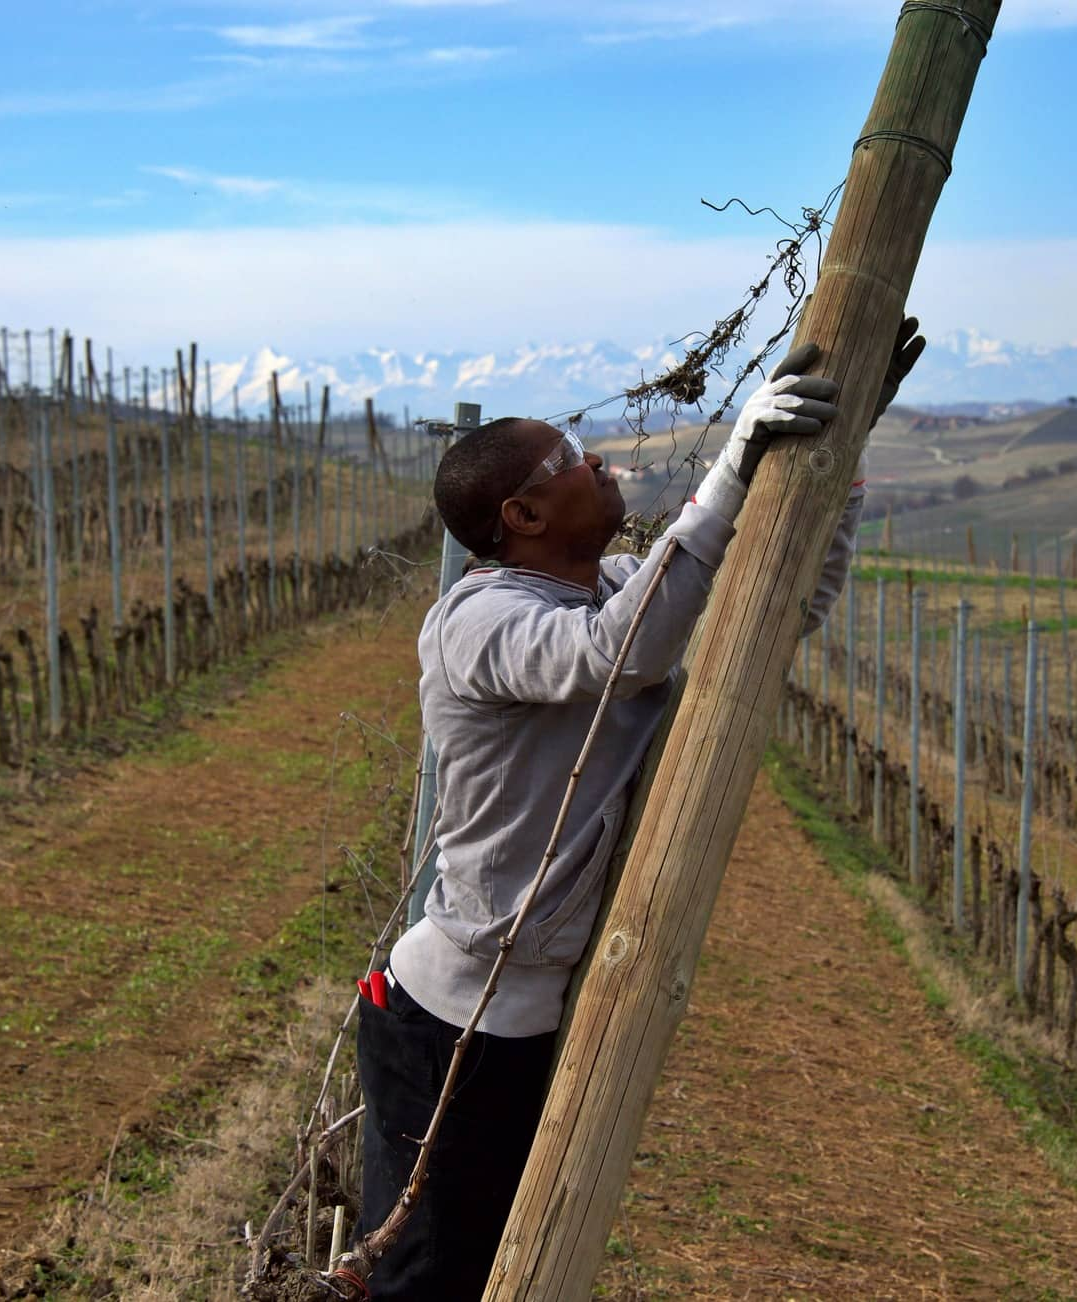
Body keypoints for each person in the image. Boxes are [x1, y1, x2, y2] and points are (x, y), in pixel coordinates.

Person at [355, 323, 924, 1298]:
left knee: (500, 1269)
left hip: (528, 1022)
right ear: (524, 513)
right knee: (429, 1282)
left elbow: (782, 610)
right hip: (451, 1024)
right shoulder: (479, 622)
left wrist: (837, 467)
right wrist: (733, 468)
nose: (603, 461)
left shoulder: (607, 589)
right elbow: (614, 657)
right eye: (572, 460)